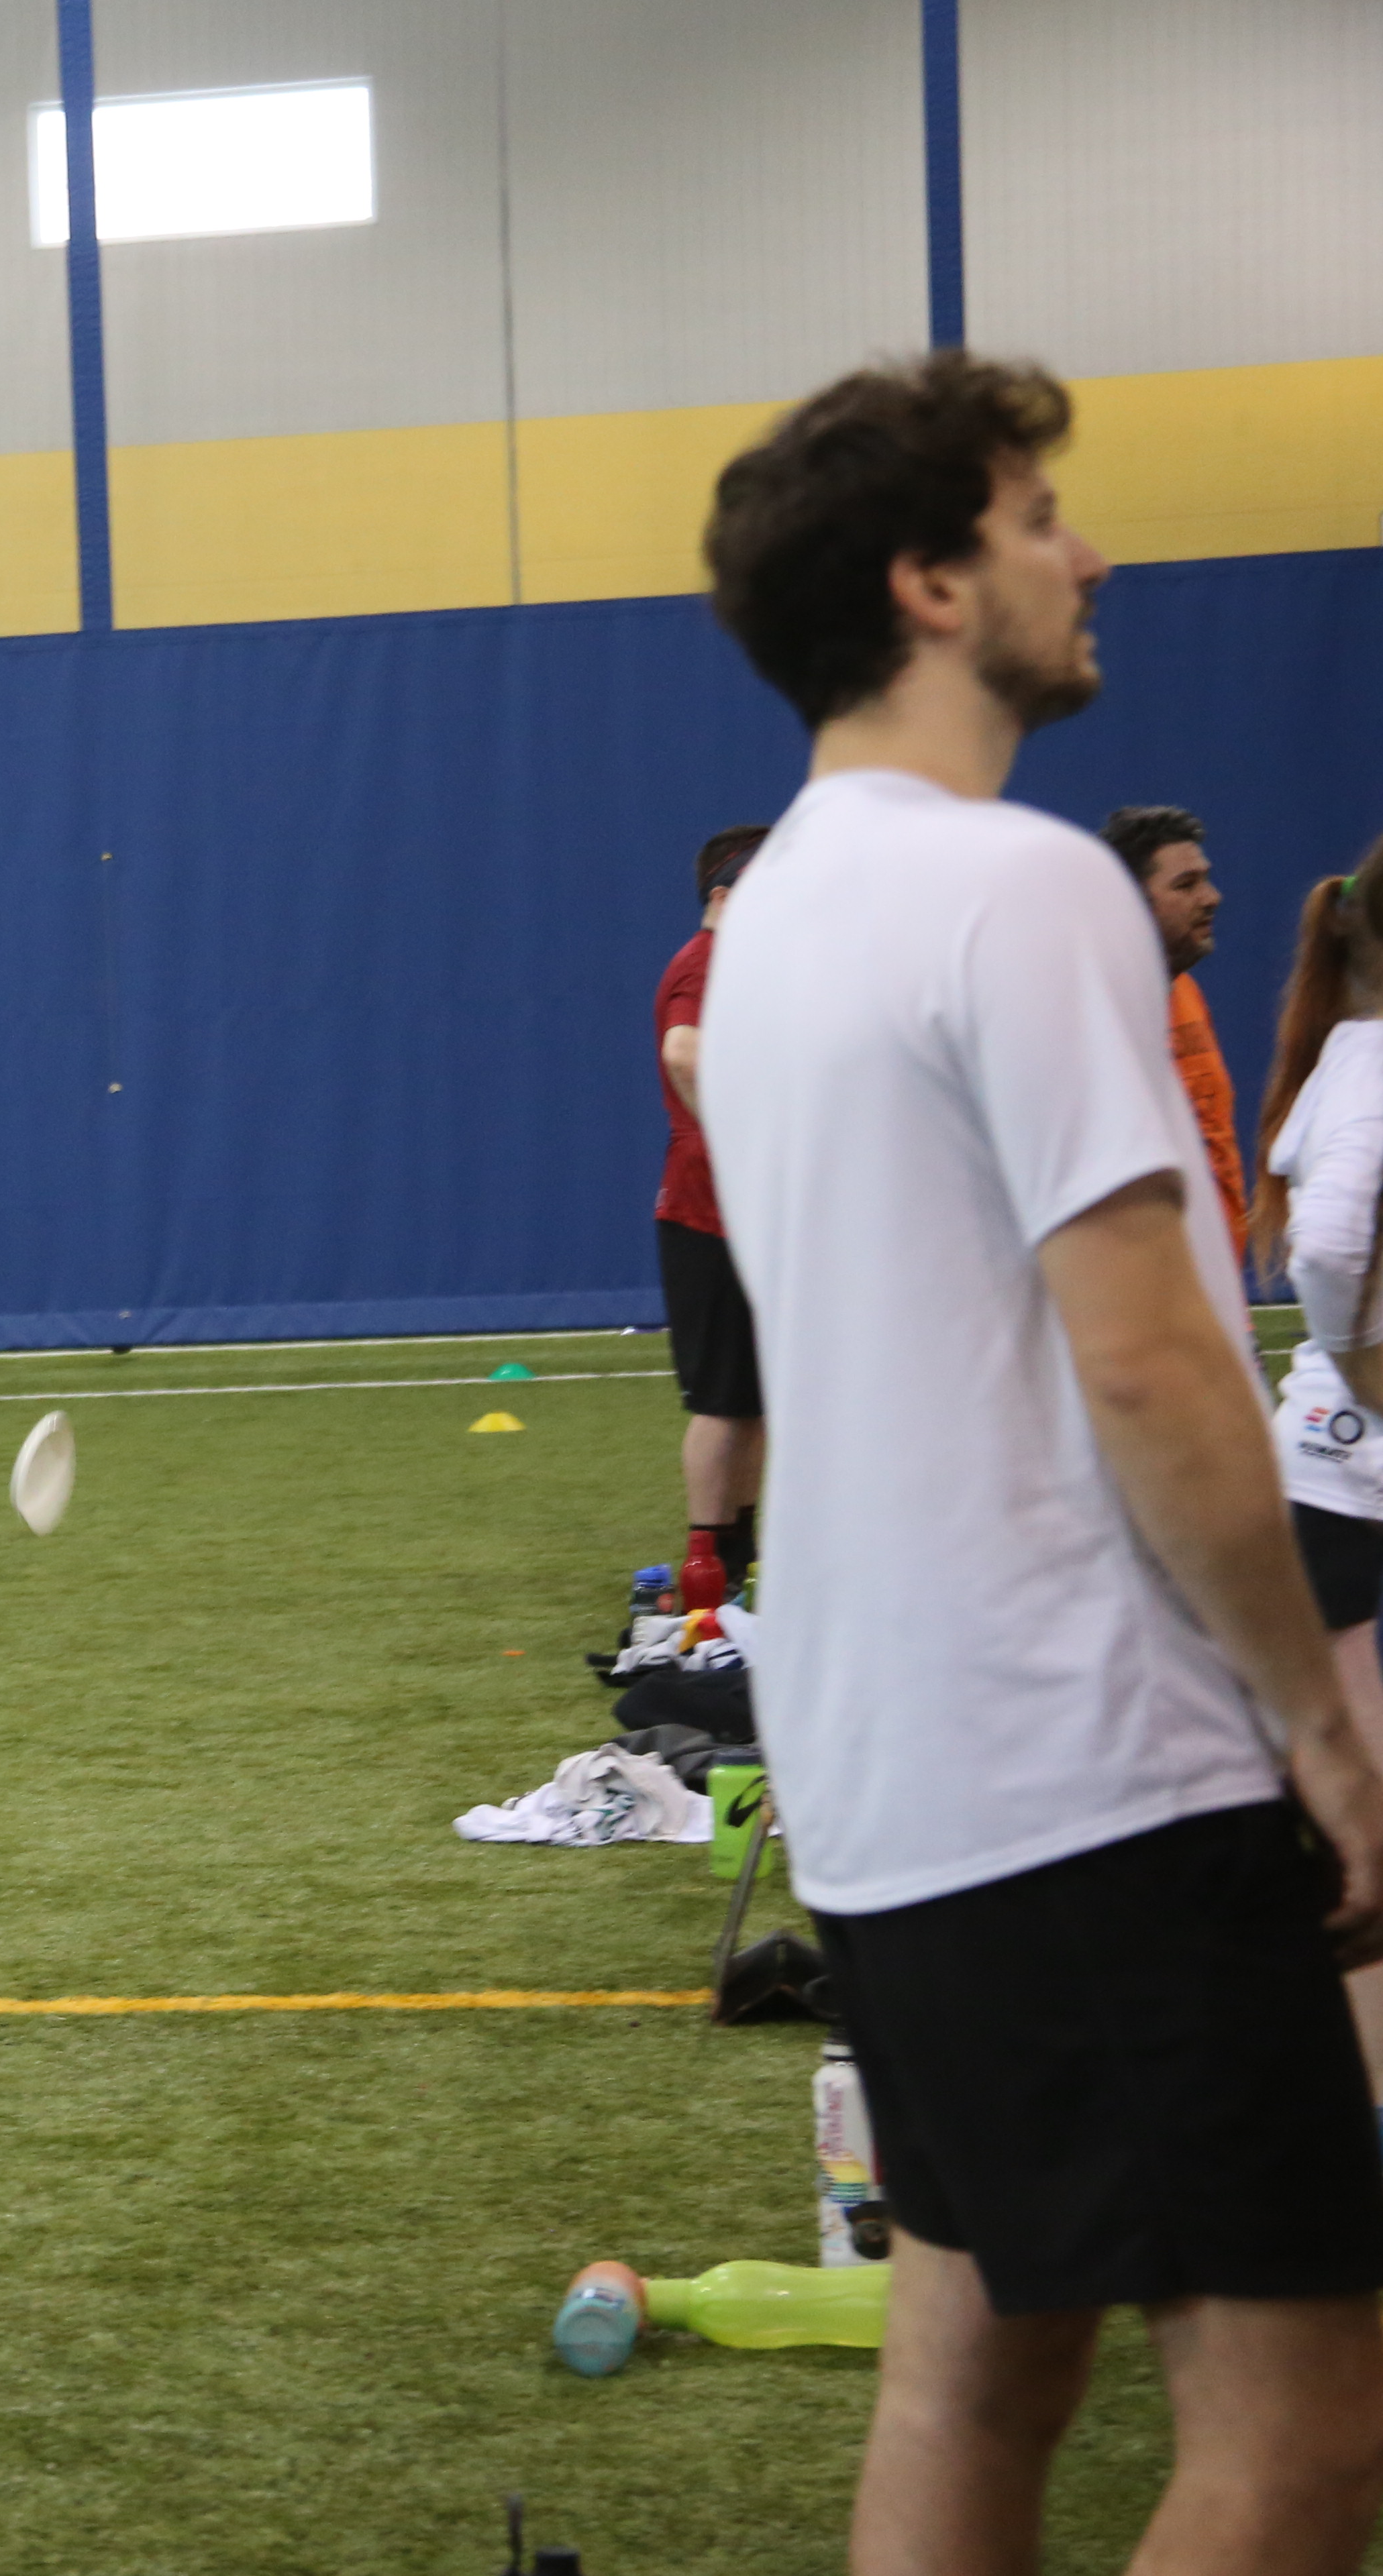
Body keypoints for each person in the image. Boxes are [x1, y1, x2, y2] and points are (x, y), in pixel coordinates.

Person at [702, 349, 1383, 2576]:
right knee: (1306, 2438)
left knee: (976, 2385)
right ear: (928, 586)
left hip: (883, 1781)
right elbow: (1158, 1367)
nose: (1089, 555)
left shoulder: (775, 915)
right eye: (1034, 521)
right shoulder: (1018, 888)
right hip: (1100, 1770)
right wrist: (1320, 1725)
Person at [1249, 846, 1383, 2132]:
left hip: (1341, 1479)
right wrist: (1371, 1377)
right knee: (1364, 1837)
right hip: (1349, 1487)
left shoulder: (1348, 1057)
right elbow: (1332, 1249)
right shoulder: (1374, 1068)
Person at [652, 824, 768, 1593]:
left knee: (753, 1402)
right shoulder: (707, 961)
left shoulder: (751, 966)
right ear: (725, 895)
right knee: (725, 1403)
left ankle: (739, 1552)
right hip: (709, 1217)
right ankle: (706, 1561)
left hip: (746, 1219)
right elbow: (683, 1052)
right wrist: (742, 1146)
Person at [1106, 804, 1247, 1248]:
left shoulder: (1187, 994)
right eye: (1186, 885)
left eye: (1205, 879)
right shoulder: (1095, 1013)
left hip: (1217, 1274)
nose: (1212, 897)